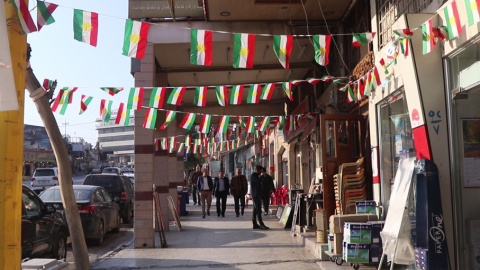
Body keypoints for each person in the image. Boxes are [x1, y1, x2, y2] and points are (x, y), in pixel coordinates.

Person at [250, 165, 269, 230]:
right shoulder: (253, 175)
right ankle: (261, 224)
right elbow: (258, 182)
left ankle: (254, 223)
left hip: (259, 195)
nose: (261, 172)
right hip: (255, 195)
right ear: (257, 170)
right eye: (260, 170)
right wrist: (261, 176)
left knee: (255, 210)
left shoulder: (258, 176)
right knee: (258, 210)